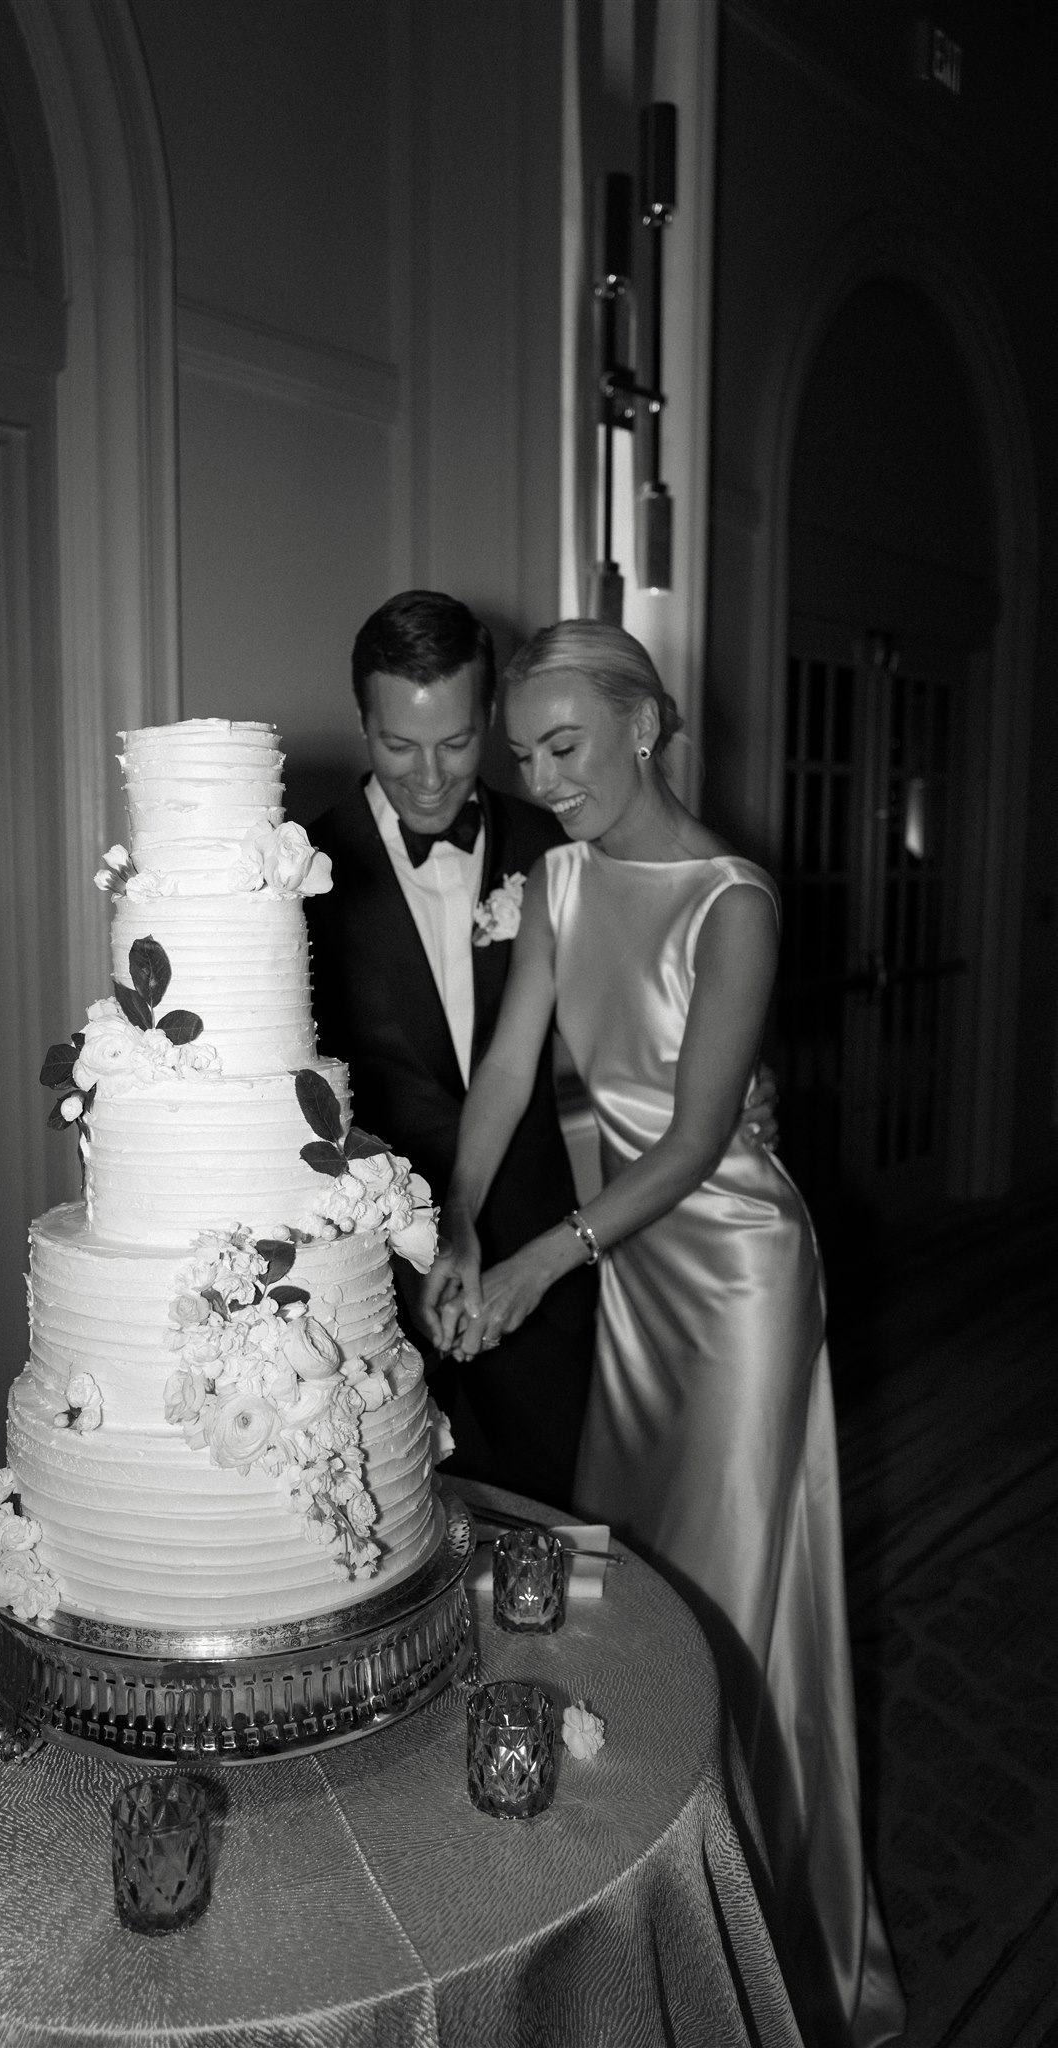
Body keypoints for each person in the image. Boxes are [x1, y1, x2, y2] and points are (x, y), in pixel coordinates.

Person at [424, 620, 905, 2047]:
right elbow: (509, 1067)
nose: (540, 778)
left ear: (647, 723)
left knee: (723, 1599)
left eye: (561, 747)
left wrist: (532, 1267)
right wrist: (458, 1220)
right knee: (615, 1577)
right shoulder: (554, 881)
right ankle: (624, 1914)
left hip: (735, 1281)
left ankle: (753, 1936)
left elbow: (698, 1138)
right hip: (625, 1270)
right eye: (524, 755)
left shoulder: (732, 900)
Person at [304, 591, 594, 1507]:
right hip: (373, 1287)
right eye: (398, 746)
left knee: (557, 1540)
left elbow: (641, 1010)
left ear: (490, 720)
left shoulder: (557, 843)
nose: (429, 778)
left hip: (544, 1259)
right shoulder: (299, 872)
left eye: (458, 743)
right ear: (362, 724)